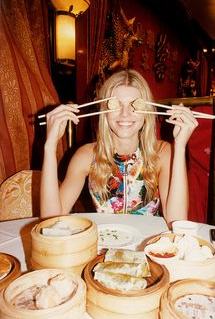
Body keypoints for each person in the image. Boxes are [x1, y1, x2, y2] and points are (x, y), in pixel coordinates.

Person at [40, 69, 198, 227]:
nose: (124, 113)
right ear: (105, 111)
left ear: (147, 111)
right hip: (103, 245)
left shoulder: (163, 153)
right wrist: (50, 146)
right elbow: (51, 221)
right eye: (116, 104)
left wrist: (180, 147)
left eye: (134, 105)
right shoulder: (86, 156)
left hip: (147, 246)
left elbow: (176, 221)